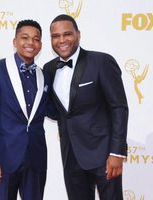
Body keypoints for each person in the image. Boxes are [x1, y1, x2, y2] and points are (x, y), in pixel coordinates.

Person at [44, 14, 129, 200]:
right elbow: (55, 110)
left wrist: (117, 152)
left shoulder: (101, 62)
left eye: (67, 34)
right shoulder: (48, 69)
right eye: (55, 36)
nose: (62, 40)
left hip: (104, 154)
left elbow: (119, 108)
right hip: (71, 157)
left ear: (78, 34)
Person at [0, 19, 51, 200]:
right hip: (3, 159)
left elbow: (53, 111)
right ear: (15, 41)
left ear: (40, 45)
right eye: (25, 38)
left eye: (36, 39)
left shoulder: (45, 76)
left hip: (36, 159)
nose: (30, 43)